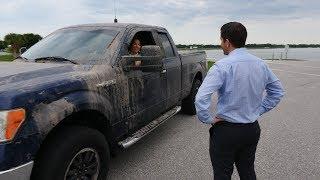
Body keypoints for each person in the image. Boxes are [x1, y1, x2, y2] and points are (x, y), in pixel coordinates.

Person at [195, 22, 284, 180]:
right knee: (247, 170)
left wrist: (208, 118)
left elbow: (201, 97)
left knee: (222, 174)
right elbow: (277, 91)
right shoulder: (261, 64)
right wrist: (259, 109)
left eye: (221, 40)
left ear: (227, 42)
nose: (220, 44)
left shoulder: (221, 66)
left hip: (226, 131)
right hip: (251, 129)